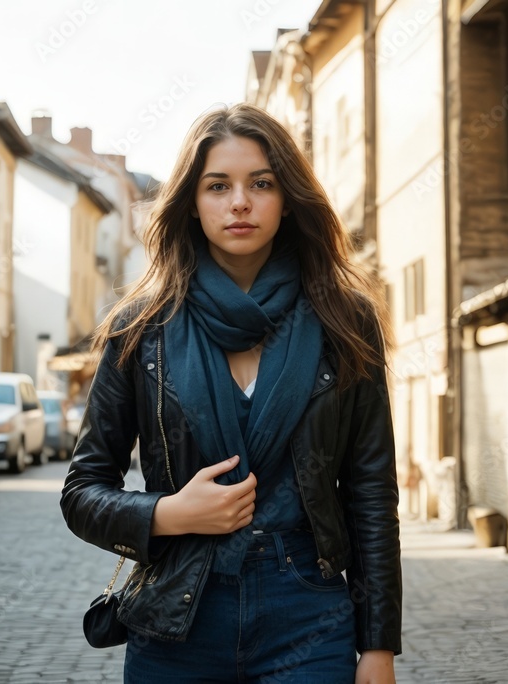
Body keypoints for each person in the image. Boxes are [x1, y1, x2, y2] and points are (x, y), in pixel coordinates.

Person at [61, 103, 401, 683]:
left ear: (288, 197)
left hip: (309, 612)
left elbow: (370, 491)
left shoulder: (344, 320)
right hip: (178, 615)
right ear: (192, 203)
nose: (239, 202)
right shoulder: (140, 330)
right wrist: (167, 513)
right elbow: (82, 493)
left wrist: (377, 645)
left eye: (261, 183)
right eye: (217, 186)